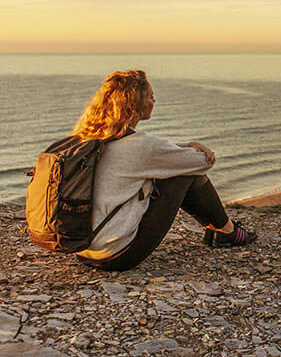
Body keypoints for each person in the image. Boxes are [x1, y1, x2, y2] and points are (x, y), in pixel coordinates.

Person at [73, 70, 256, 272]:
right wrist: (193, 148)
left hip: (82, 248)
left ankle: (223, 231)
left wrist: (186, 145)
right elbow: (202, 163)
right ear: (135, 104)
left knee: (173, 166)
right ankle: (228, 232)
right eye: (150, 97)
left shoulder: (89, 138)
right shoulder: (141, 146)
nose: (154, 101)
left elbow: (147, 157)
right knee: (182, 174)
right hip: (115, 256)